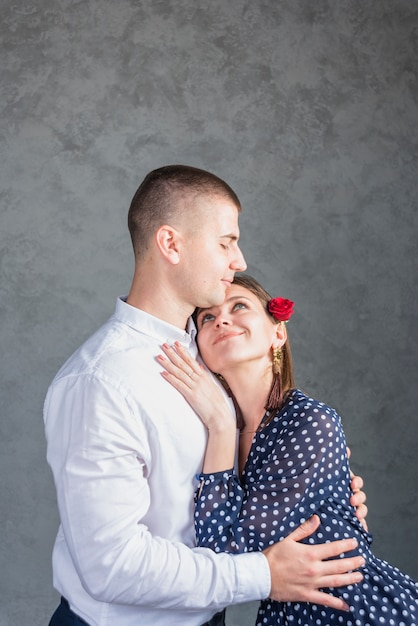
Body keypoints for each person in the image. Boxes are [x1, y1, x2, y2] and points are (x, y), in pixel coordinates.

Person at [44, 166, 368, 626]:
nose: (239, 260)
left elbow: (252, 472)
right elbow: (110, 565)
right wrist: (261, 575)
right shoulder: (100, 381)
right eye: (225, 242)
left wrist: (327, 496)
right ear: (171, 244)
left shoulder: (210, 351)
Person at [157, 273, 418, 625]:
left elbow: (227, 553)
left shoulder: (309, 422)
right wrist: (220, 427)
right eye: (207, 317)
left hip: (357, 610)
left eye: (239, 306)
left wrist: (220, 428)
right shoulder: (206, 433)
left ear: (277, 333)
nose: (221, 318)